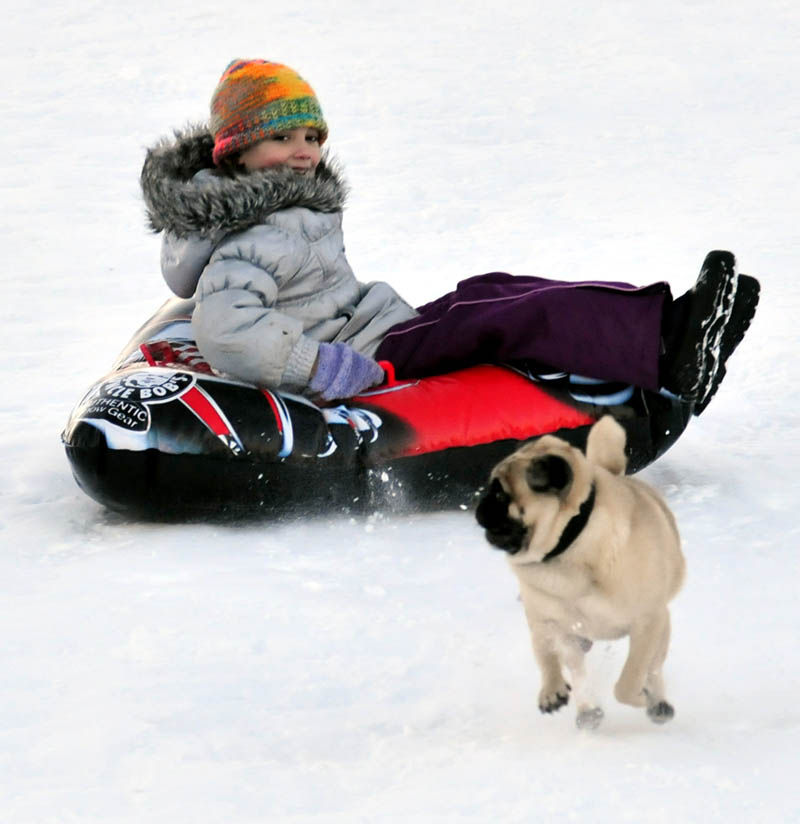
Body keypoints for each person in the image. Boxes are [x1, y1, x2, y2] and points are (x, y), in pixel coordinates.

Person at [141, 58, 759, 414]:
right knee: (499, 316)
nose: (304, 154)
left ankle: (673, 322)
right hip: (366, 357)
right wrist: (325, 367)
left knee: (492, 290)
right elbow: (226, 331)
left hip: (374, 330)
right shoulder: (241, 242)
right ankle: (668, 351)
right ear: (237, 151)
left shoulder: (281, 209)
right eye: (284, 139)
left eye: (313, 137)